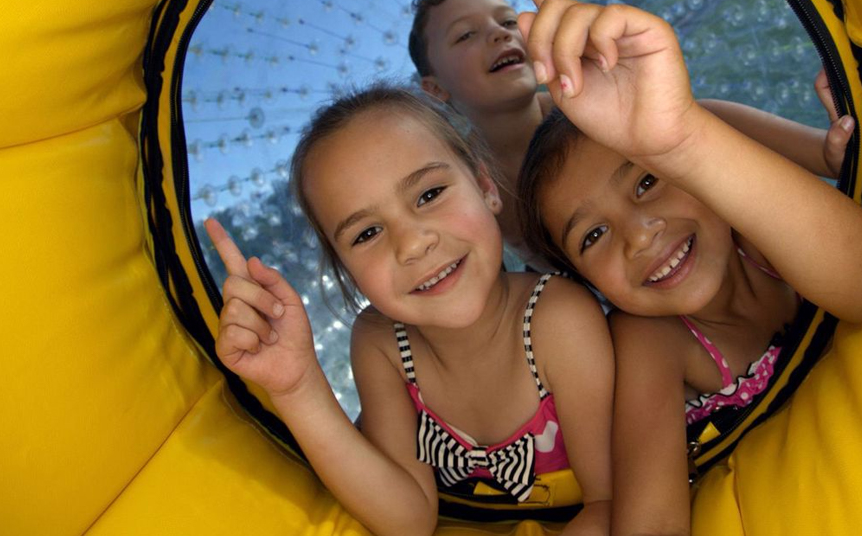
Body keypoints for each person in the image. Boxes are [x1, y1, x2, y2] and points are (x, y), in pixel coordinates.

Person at [509, 0, 862, 536]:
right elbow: (651, 523)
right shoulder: (651, 339)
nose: (640, 234)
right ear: (588, 282)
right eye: (593, 236)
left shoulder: (763, 233)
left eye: (648, 181)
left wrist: (681, 140)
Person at [205, 85, 613, 536]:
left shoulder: (559, 320)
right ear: (347, 273)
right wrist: (298, 388)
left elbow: (610, 503)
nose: (413, 244)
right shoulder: (382, 343)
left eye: (429, 194)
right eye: (367, 234)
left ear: (485, 187)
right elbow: (408, 521)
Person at [408, 0, 853, 263]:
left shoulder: (583, 103)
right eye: (466, 35)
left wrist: (822, 153)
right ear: (435, 88)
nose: (498, 33)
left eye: (508, 21)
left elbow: (698, 125)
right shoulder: (463, 189)